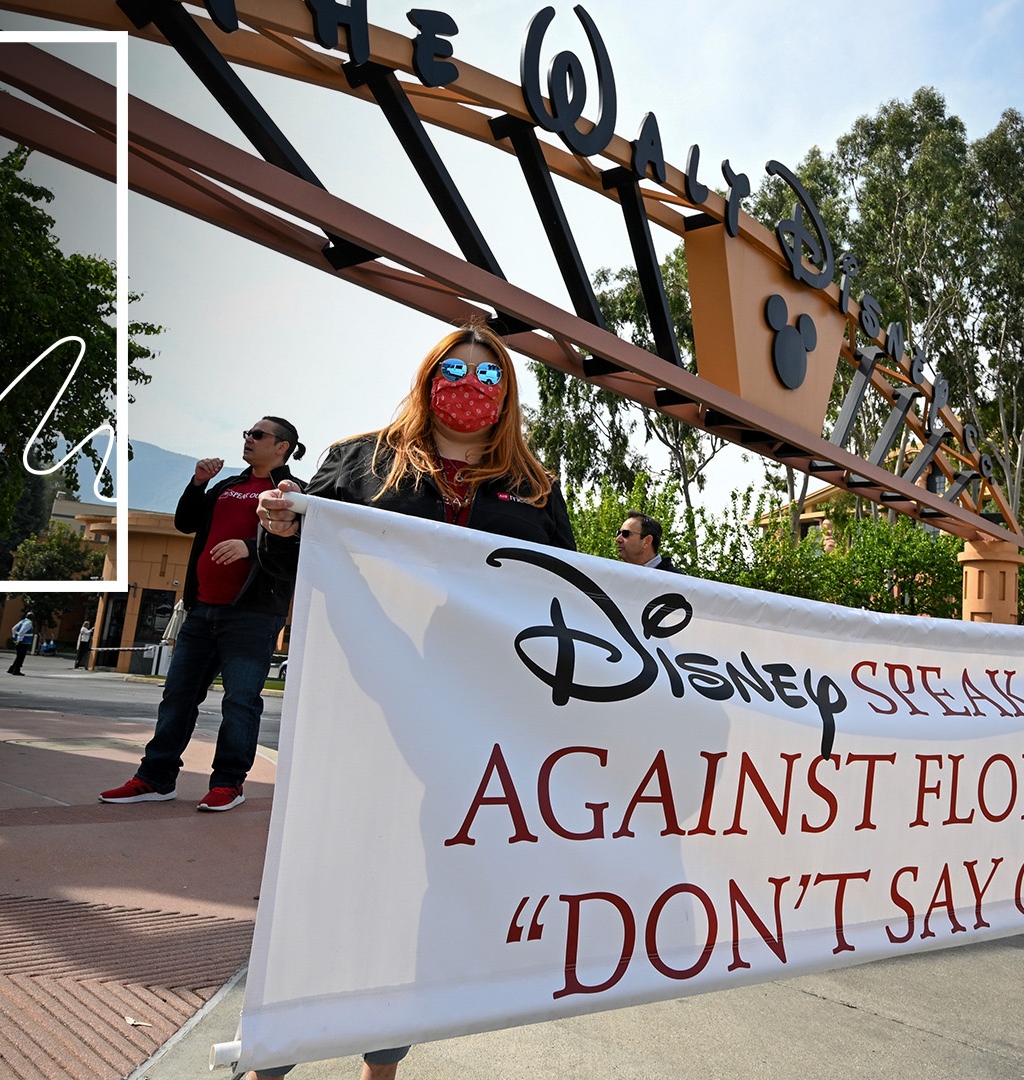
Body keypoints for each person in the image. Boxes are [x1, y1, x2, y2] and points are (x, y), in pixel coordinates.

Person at [251, 321, 575, 1080]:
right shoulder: (360, 461)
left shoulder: (534, 486)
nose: (470, 385)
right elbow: (291, 566)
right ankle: (273, 1056)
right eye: (454, 370)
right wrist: (282, 528)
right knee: (326, 870)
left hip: (472, 717)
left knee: (420, 887)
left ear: (509, 395)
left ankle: (383, 1064)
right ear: (428, 379)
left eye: (489, 375)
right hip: (360, 704)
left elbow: (564, 594)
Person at [99, 417, 307, 812]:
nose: (248, 439)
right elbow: (185, 523)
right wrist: (197, 484)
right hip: (201, 610)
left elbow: (302, 545)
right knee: (177, 697)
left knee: (240, 702)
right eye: (247, 433)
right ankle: (155, 779)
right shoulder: (227, 486)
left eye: (258, 435)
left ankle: (229, 784)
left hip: (253, 615)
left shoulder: (293, 493)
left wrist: (251, 547)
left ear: (282, 446)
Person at [614, 511, 680, 572]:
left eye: (625, 534)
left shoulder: (675, 579)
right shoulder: (616, 575)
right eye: (618, 533)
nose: (618, 539)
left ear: (647, 541)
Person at [7, 611, 36, 676]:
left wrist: (14, 637)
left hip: (19, 642)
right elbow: (21, 632)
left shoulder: (22, 621)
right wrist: (20, 640)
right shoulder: (28, 623)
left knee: (19, 656)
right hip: (23, 642)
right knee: (21, 657)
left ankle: (12, 669)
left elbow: (13, 629)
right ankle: (16, 671)